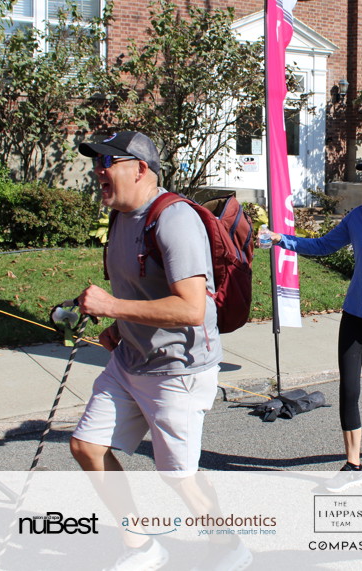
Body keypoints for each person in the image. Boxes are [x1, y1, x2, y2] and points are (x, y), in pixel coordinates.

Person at [69, 131, 250, 571]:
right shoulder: (121, 218)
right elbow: (144, 289)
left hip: (178, 369)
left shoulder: (174, 219)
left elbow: (191, 309)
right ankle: (140, 544)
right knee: (86, 446)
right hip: (130, 360)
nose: (98, 171)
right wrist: (119, 325)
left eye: (107, 161)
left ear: (140, 169)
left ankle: (229, 546)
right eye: (96, 162)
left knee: (179, 477)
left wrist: (112, 307)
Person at [262, 152, 362, 492]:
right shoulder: (357, 217)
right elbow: (323, 245)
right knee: (349, 389)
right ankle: (353, 465)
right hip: (355, 312)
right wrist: (280, 239)